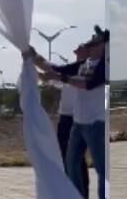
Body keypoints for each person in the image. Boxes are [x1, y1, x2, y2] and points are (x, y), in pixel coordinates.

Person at [28, 27, 109, 199]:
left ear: (104, 45)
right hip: (78, 124)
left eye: (96, 40)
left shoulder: (105, 66)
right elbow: (57, 68)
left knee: (102, 170)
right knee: (71, 164)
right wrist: (34, 56)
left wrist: (60, 78)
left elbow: (88, 84)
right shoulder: (84, 64)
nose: (91, 42)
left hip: (96, 124)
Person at [54, 44, 91, 197]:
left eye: (81, 52)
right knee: (64, 156)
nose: (78, 54)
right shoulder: (70, 70)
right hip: (65, 118)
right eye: (77, 52)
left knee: (76, 158)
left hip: (79, 118)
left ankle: (81, 192)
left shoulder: (88, 71)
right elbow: (52, 73)